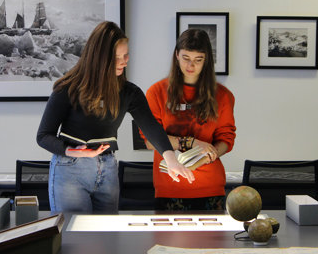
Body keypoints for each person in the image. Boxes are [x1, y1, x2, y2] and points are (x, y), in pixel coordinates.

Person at [36, 21, 194, 213]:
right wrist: (75, 151)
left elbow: (151, 126)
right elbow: (43, 136)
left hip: (108, 169)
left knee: (107, 238)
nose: (124, 61)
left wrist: (171, 160)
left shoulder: (129, 92)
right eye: (117, 57)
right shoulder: (67, 89)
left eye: (125, 55)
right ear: (99, 58)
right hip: (70, 170)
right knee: (74, 237)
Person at [142, 28, 236, 211]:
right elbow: (149, 141)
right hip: (170, 187)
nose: (191, 65)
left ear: (206, 60)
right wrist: (192, 143)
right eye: (186, 58)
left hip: (210, 187)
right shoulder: (156, 92)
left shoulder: (223, 96)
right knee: (167, 241)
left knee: (211, 241)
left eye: (198, 60)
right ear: (176, 55)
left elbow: (227, 139)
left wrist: (212, 153)